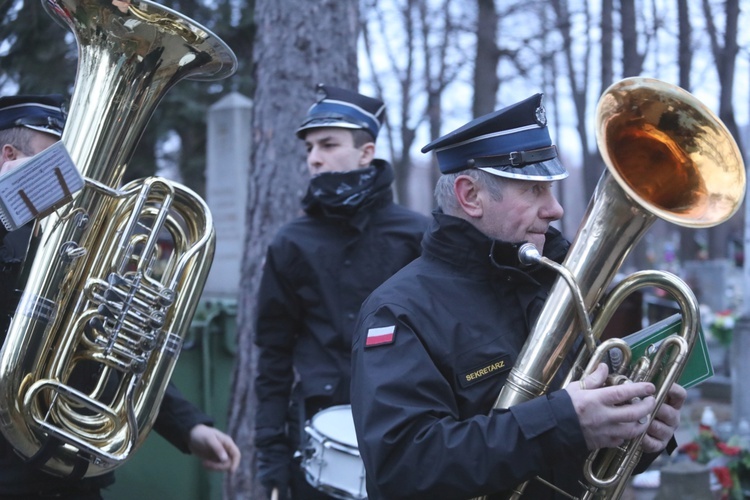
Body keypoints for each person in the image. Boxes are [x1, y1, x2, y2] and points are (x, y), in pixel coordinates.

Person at [349, 93, 687, 500]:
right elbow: (402, 467)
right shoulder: (398, 312)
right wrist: (564, 421)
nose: (556, 209)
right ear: (470, 195)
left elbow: (579, 458)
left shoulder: (555, 284)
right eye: (534, 191)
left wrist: (637, 433)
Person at [0, 94, 241, 499]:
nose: (74, 176)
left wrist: (188, 425)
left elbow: (112, 347)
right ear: (9, 157)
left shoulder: (80, 241)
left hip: (72, 472)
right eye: (55, 159)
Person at [253, 84, 430, 500]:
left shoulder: (418, 235)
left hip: (409, 433)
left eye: (328, 144)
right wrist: (271, 454)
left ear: (366, 152)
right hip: (318, 440)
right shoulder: (290, 243)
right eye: (310, 148)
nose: (314, 158)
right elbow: (273, 354)